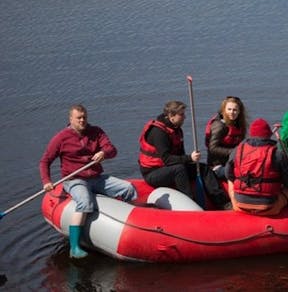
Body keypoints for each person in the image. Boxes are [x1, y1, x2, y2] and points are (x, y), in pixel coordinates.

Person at [40, 104, 137, 259]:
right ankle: (74, 247)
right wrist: (46, 181)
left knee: (128, 188)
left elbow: (112, 150)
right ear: (70, 119)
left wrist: (103, 153)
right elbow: (45, 161)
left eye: (84, 117)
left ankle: (130, 224)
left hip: (96, 177)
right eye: (78, 118)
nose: (82, 120)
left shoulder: (96, 132)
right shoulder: (61, 138)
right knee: (85, 202)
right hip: (74, 179)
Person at [138, 101, 230, 209]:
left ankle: (223, 203)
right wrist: (189, 158)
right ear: (171, 116)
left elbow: (180, 155)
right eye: (181, 114)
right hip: (153, 173)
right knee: (179, 169)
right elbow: (167, 159)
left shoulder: (176, 130)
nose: (184, 117)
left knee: (202, 168)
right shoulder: (158, 133)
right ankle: (191, 203)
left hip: (169, 168)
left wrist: (191, 161)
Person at [225, 118, 288, 216]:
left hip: (240, 205)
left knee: (230, 180)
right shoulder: (277, 154)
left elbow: (228, 174)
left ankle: (233, 203)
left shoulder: (237, 151)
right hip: (268, 208)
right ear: (268, 135)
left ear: (251, 135)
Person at [205, 96, 247, 179]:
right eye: (229, 109)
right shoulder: (219, 126)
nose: (232, 112)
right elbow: (212, 148)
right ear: (224, 110)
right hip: (217, 166)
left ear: (239, 112)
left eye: (235, 110)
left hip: (232, 162)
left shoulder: (238, 125)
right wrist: (234, 152)